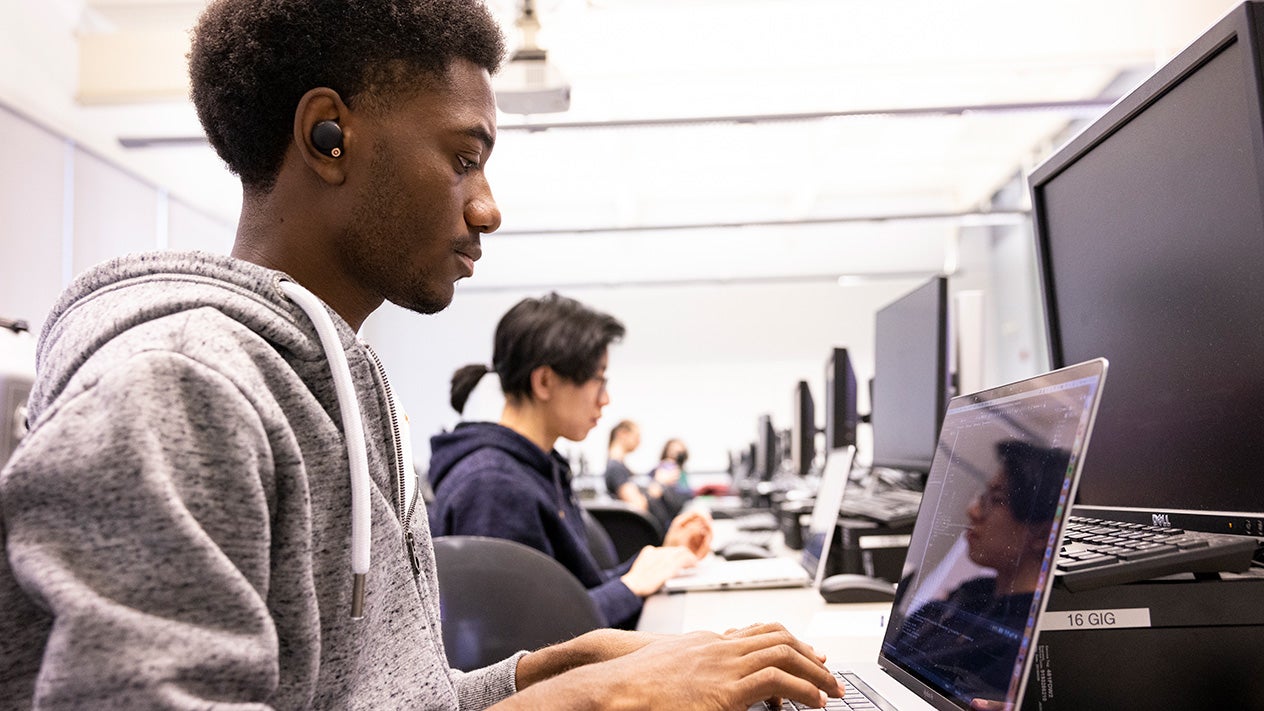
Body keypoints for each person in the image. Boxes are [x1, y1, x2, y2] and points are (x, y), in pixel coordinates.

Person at [0, 1, 842, 708]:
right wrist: (590, 700)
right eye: (463, 159)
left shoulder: (342, 390)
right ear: (328, 134)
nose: (489, 209)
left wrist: (539, 672)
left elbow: (384, 697)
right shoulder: (177, 386)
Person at [428, 294, 711, 629]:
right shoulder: (494, 487)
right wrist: (630, 587)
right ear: (545, 381)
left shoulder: (540, 469)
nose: (605, 399)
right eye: (599, 380)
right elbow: (523, 637)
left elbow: (573, 590)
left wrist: (659, 557)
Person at [886, 439, 1070, 708]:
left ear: (1043, 533)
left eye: (996, 500)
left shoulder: (1029, 638)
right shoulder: (976, 591)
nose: (973, 510)